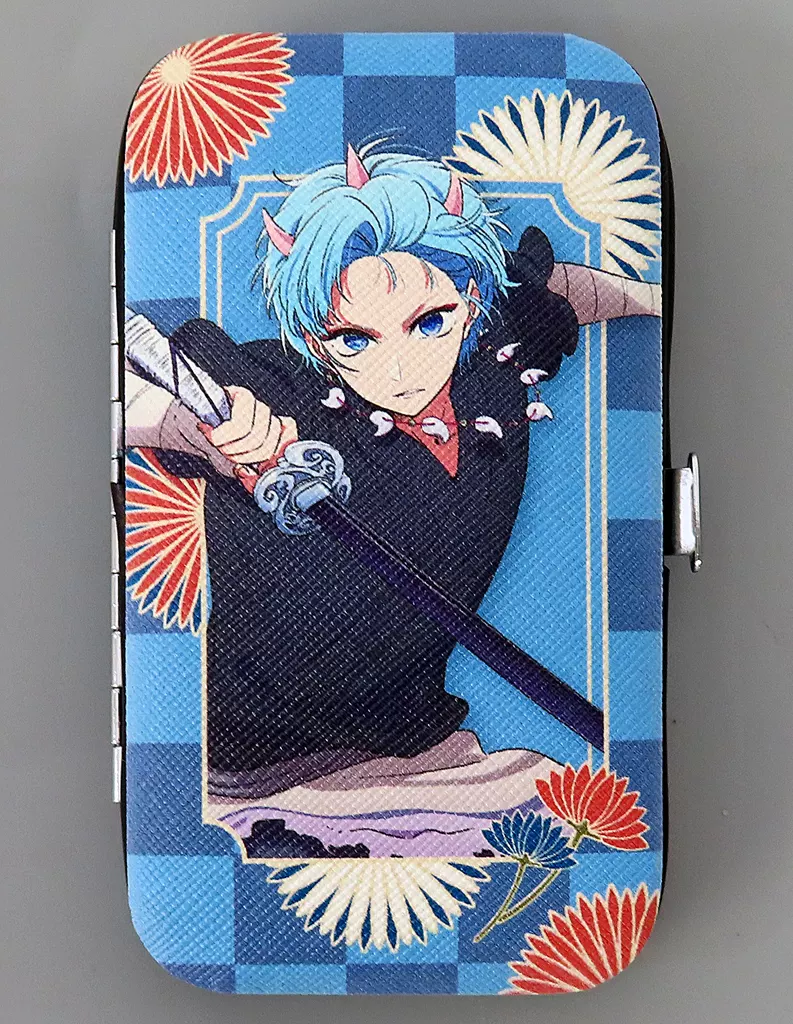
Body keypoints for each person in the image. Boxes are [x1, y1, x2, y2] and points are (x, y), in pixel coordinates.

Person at [125, 146, 660, 857]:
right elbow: (133, 391)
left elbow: (556, 290)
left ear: (472, 303)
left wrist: (663, 299)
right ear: (313, 337)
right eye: (354, 339)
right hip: (264, 775)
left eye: (429, 322)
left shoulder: (492, 359)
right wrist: (205, 428)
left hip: (428, 751)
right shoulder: (275, 391)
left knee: (589, 826)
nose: (400, 366)